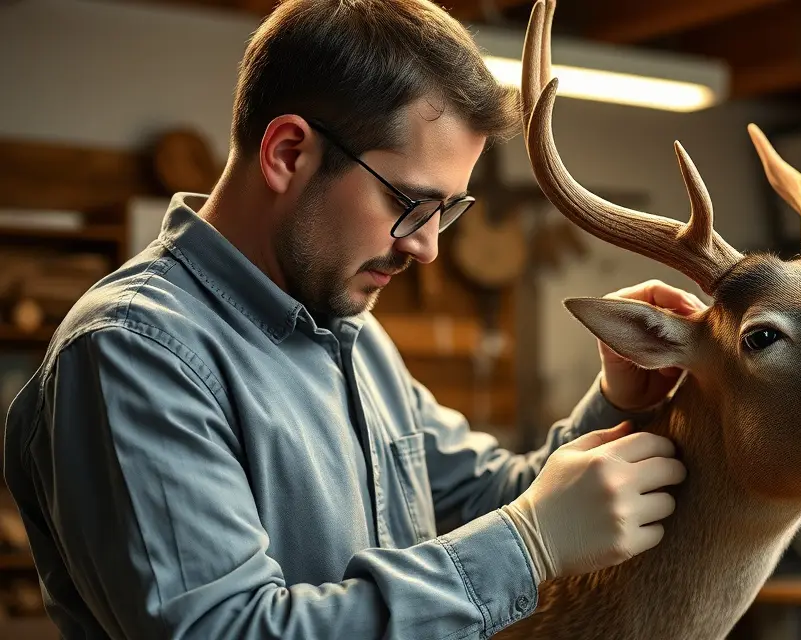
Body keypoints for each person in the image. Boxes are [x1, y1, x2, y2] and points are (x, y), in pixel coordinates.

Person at [1, 1, 705, 637]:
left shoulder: (350, 335)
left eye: (447, 213)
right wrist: (528, 546)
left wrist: (615, 400)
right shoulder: (133, 353)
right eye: (412, 202)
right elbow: (229, 632)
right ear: (288, 154)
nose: (427, 247)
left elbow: (486, 501)